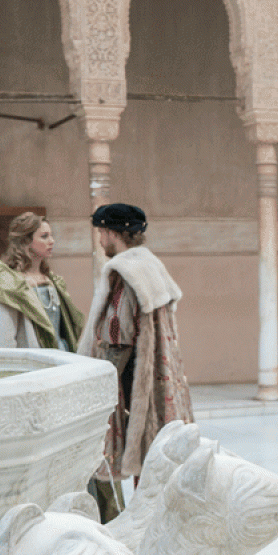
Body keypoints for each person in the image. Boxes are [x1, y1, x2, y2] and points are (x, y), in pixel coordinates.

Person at [77, 202, 195, 517]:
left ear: (114, 232)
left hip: (134, 377)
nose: (100, 240)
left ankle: (146, 528)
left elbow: (118, 331)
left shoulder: (124, 271)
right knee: (158, 454)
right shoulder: (152, 265)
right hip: (161, 372)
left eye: (101, 231)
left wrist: (92, 371)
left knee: (143, 453)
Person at [0, 212, 83, 350]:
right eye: (44, 236)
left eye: (51, 235)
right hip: (34, 360)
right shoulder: (10, 285)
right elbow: (2, 340)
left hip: (61, 356)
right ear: (26, 241)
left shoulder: (52, 280)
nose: (52, 241)